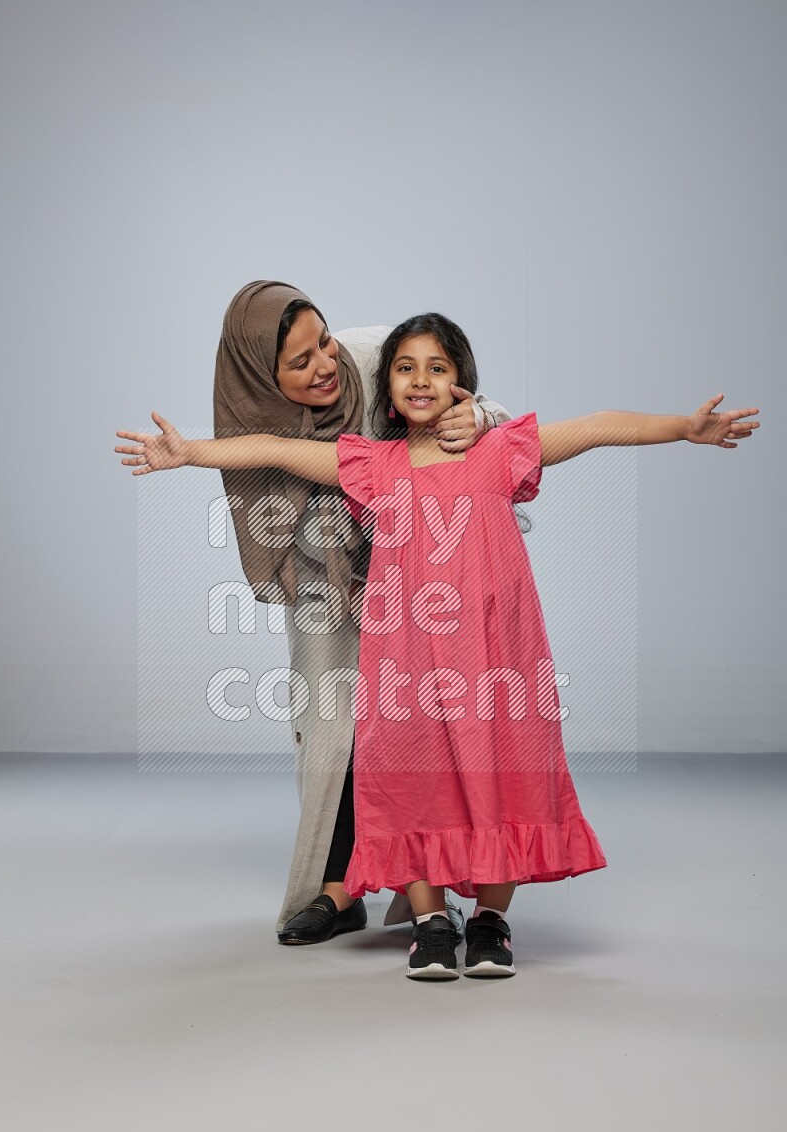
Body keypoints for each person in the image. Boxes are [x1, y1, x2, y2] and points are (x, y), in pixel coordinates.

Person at [116, 312, 760, 981]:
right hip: (408, 665)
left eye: (437, 367)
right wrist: (189, 453)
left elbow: (598, 427)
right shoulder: (373, 464)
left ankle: (489, 921)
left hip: (497, 658)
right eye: (404, 368)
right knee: (408, 780)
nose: (420, 379)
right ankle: (429, 920)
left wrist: (683, 429)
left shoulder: (502, 448)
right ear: (387, 389)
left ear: (462, 385)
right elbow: (277, 450)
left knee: (501, 775)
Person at [205, 282, 513, 943]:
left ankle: (425, 883)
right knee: (330, 729)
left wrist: (480, 415)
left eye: (323, 340)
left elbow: (469, 400)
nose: (324, 364)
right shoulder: (250, 414)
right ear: (263, 374)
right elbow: (268, 468)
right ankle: (338, 889)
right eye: (299, 360)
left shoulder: (374, 356)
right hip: (326, 579)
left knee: (420, 723)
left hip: (417, 575)